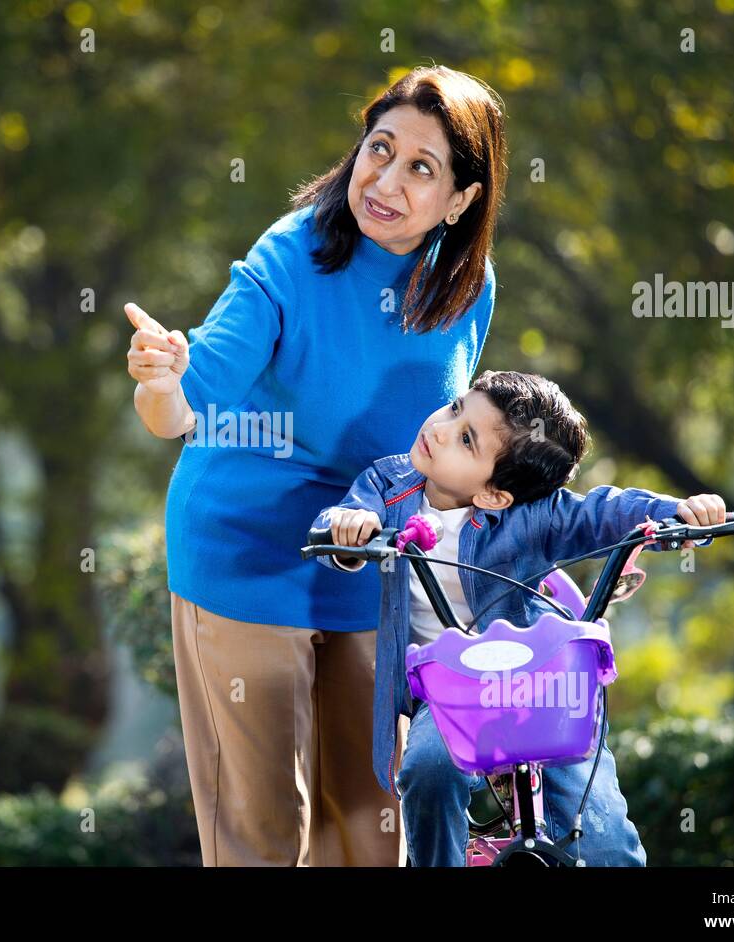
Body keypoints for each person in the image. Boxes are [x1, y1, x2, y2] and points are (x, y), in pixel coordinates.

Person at [124, 67, 508, 866]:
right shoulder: (291, 256)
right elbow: (185, 406)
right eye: (380, 149)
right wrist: (161, 382)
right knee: (264, 831)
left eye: (421, 167)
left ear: (462, 199)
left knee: (370, 829)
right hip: (248, 556)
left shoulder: (466, 287)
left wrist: (551, 542)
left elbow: (456, 450)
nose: (386, 181)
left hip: (369, 562)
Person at [311, 369, 728, 865]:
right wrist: (351, 527)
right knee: (428, 769)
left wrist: (680, 513)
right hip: (450, 694)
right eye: (455, 408)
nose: (440, 429)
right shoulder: (389, 485)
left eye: (467, 439)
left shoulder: (533, 516)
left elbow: (604, 511)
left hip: (540, 689)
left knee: (605, 840)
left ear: (495, 495)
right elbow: (339, 524)